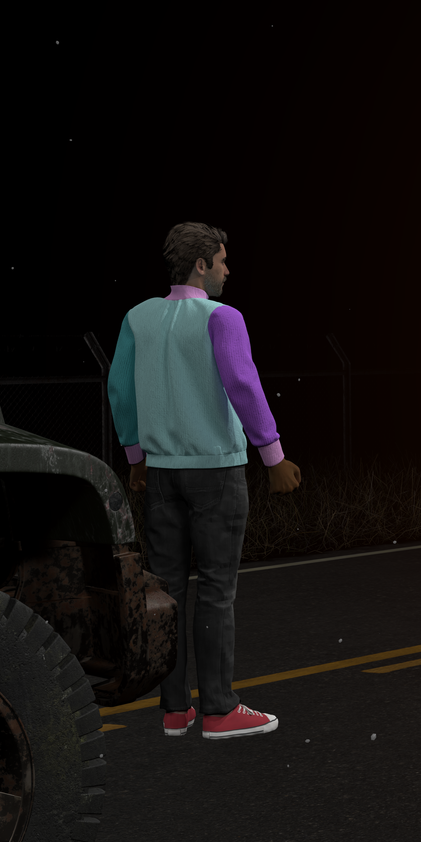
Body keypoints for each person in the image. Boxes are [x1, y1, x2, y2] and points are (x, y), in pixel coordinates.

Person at [106, 222, 301, 742]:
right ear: (200, 264)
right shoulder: (223, 317)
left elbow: (119, 389)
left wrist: (136, 456)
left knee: (167, 591)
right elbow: (242, 383)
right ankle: (218, 709)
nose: (227, 270)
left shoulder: (137, 317)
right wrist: (273, 455)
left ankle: (175, 710)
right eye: (222, 260)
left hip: (161, 473)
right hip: (216, 470)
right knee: (216, 590)